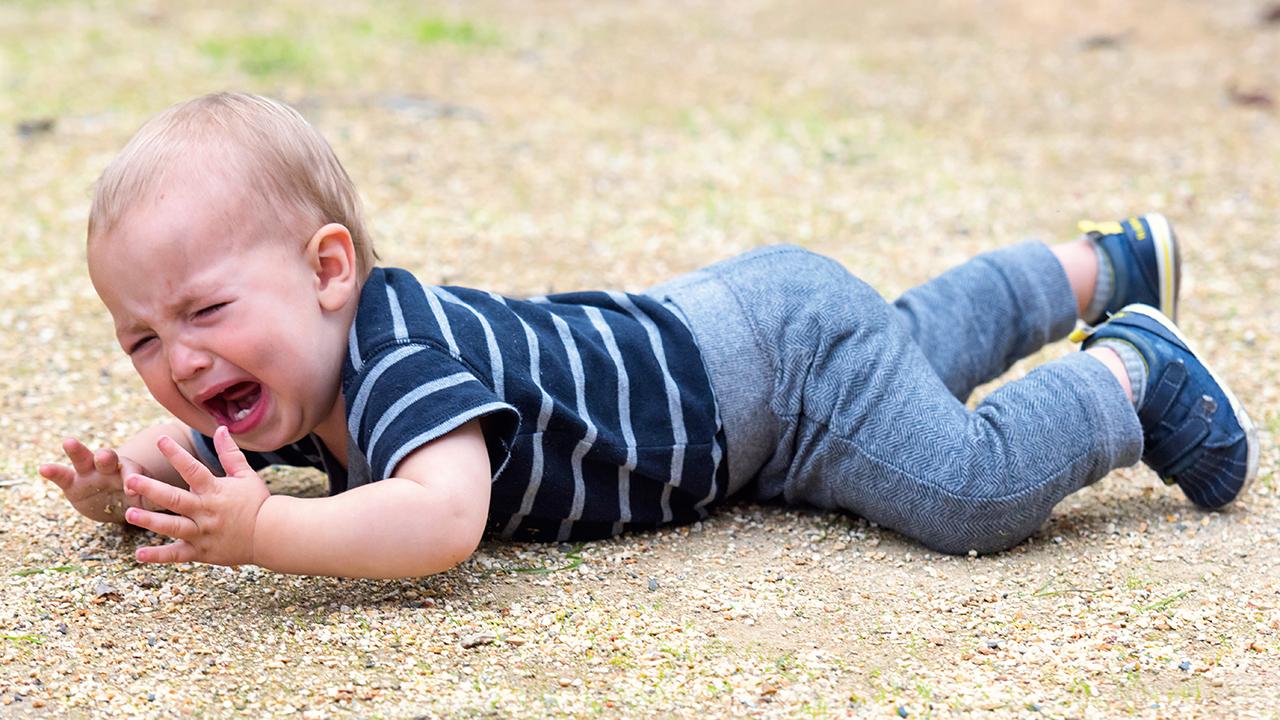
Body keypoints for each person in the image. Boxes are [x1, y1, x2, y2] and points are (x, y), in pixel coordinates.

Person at [39, 93, 1258, 579]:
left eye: (204, 313)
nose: (181, 363)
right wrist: (140, 496)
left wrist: (258, 531)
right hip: (746, 344)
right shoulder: (298, 378)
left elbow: (436, 521)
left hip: (766, 383)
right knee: (907, 347)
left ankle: (1126, 374)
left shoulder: (395, 358)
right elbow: (226, 456)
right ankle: (1095, 261)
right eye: (139, 338)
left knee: (964, 489)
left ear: (327, 273)